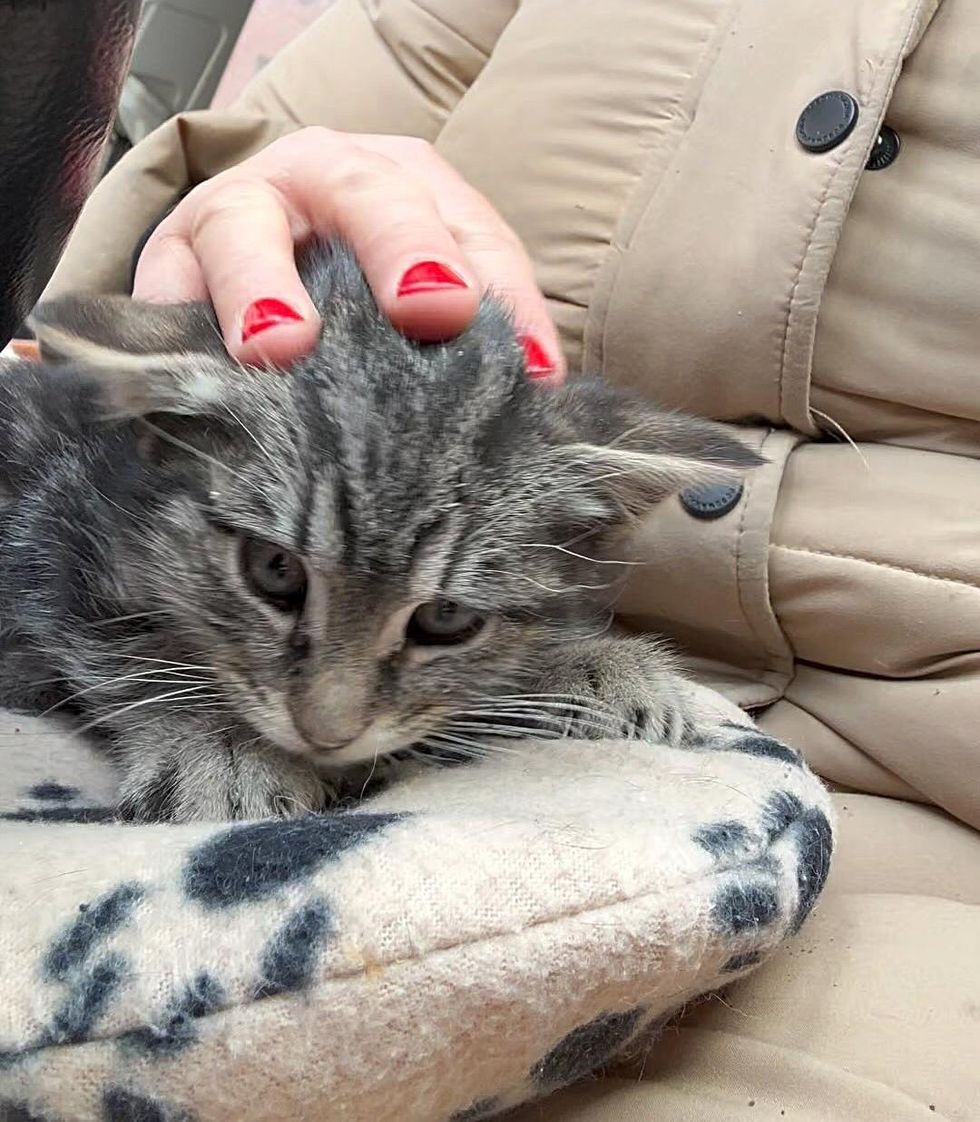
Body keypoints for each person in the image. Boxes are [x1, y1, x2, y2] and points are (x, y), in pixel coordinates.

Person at [43, 1, 980, 1118]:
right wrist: (228, 205)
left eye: (435, 625)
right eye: (280, 581)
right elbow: (78, 318)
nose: (329, 719)